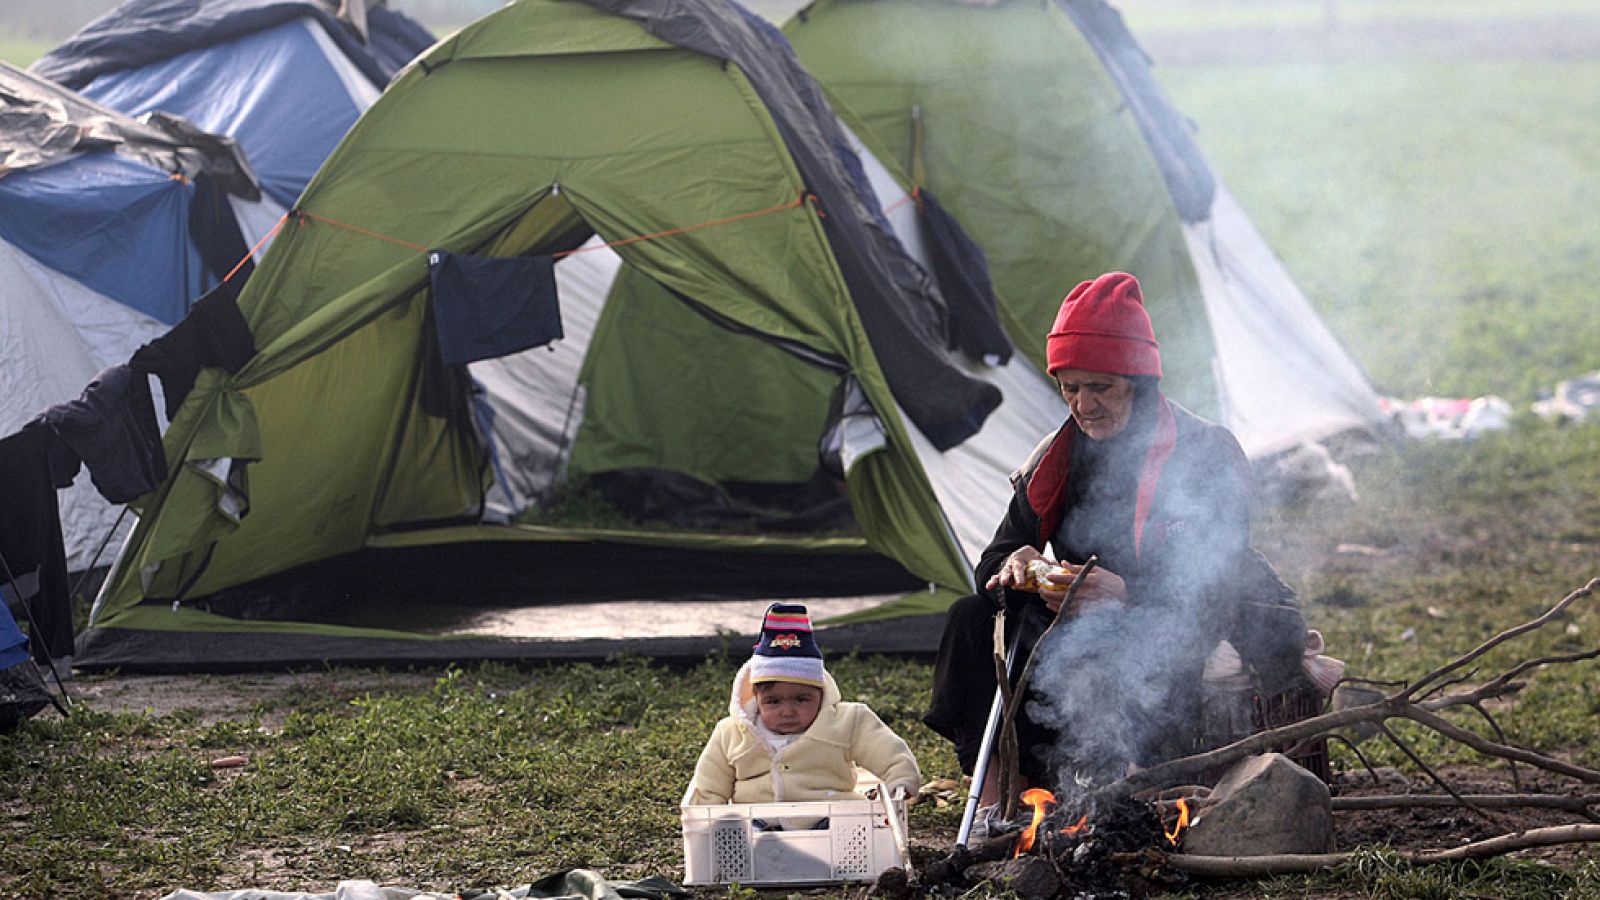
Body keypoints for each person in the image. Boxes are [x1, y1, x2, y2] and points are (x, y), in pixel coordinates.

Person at [923, 271, 1308, 807]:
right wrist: (1020, 567)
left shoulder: (1205, 454)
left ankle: (1128, 793)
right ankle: (994, 798)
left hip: (1198, 616)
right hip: (1087, 621)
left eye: (1100, 387)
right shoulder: (1056, 457)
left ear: (1139, 381)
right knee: (969, 618)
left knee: (1151, 634)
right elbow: (992, 560)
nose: (1083, 405)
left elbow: (1215, 586)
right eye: (1070, 387)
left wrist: (1126, 595)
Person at [691, 603, 922, 805]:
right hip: (757, 827)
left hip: (832, 822)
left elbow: (885, 750)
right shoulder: (731, 732)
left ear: (821, 693)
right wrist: (709, 817)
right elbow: (710, 782)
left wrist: (900, 778)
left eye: (801, 699)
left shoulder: (847, 721)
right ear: (756, 698)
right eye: (773, 701)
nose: (788, 711)